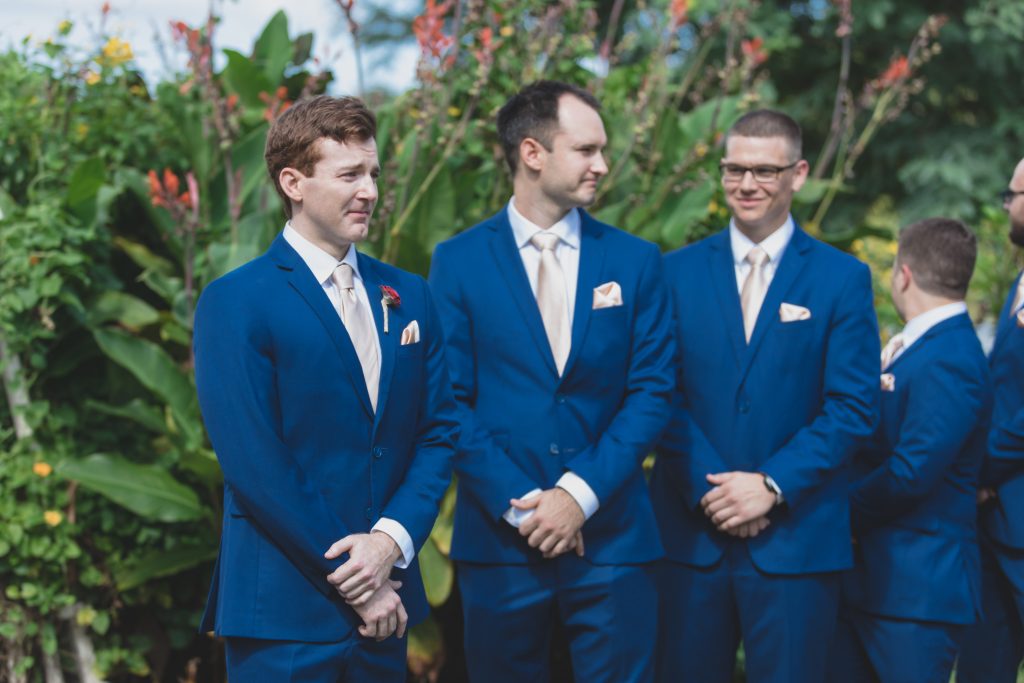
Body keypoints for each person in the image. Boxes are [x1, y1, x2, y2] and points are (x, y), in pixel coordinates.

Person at [192, 95, 458, 681]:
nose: (369, 191)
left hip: (387, 607)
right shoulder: (235, 301)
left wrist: (388, 544)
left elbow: (438, 432)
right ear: (293, 182)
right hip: (284, 612)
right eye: (349, 175)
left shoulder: (409, 294)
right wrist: (358, 579)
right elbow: (254, 461)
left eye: (374, 174)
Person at [428, 80, 674, 683]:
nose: (603, 164)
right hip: (501, 543)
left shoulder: (636, 260)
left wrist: (577, 497)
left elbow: (652, 392)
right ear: (533, 153)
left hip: (613, 540)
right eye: (586, 150)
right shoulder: (457, 262)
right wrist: (527, 509)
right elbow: (448, 401)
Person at [649, 109, 880, 683]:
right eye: (734, 169)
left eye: (764, 171)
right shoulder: (671, 273)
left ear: (798, 174)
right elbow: (656, 392)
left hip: (797, 541)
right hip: (690, 538)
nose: (746, 184)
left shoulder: (842, 278)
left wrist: (771, 486)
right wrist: (716, 491)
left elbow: (852, 407)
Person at [829, 217, 991, 683]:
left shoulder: (951, 358)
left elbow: (911, 472)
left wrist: (837, 512)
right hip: (880, 582)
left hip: (916, 589)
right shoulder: (923, 346)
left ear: (904, 274)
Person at [958, 157, 1024, 682]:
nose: (1008, 206)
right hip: (997, 521)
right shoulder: (1021, 279)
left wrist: (980, 469)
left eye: (1014, 195)